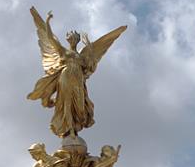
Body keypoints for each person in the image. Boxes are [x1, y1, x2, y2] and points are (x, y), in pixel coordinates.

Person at [28, 8, 126, 138]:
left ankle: (75, 125)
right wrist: (47, 21)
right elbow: (50, 38)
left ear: (78, 40)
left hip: (78, 78)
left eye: (75, 38)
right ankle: (70, 130)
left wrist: (90, 47)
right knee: (66, 102)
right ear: (68, 39)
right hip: (65, 76)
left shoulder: (83, 54)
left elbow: (89, 65)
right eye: (71, 37)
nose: (73, 39)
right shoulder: (63, 51)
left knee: (79, 105)